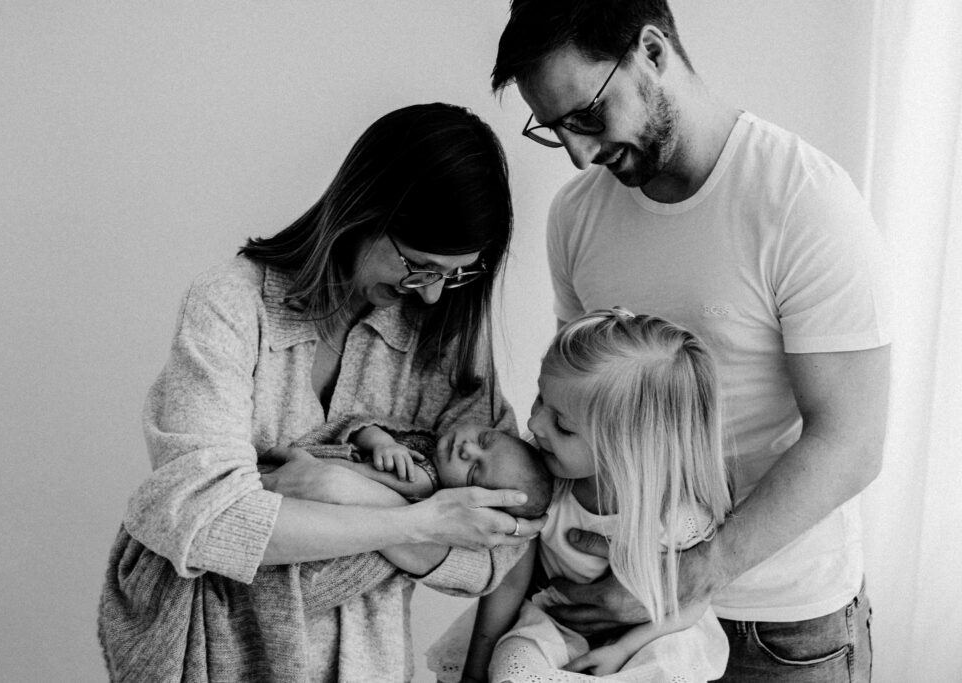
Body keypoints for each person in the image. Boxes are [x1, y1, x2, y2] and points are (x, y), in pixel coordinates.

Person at [491, 2, 890, 681]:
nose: (580, 153)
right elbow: (577, 411)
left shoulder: (803, 199)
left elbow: (851, 443)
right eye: (555, 130)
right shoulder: (576, 215)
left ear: (651, 52)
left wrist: (683, 577)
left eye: (587, 115)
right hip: (611, 616)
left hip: (780, 629)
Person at [97, 102, 546, 683]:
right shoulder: (230, 306)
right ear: (364, 210)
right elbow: (207, 521)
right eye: (420, 265)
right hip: (213, 657)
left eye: (454, 274)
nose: (433, 295)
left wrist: (346, 491)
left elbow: (496, 550)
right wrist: (420, 523)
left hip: (365, 662)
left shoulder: (444, 340)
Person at [426, 309, 732, 682]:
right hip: (554, 626)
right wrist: (475, 670)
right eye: (540, 399)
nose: (534, 423)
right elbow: (511, 578)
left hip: (648, 637)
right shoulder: (543, 483)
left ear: (631, 447)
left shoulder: (675, 515)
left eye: (563, 426)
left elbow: (693, 599)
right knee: (515, 665)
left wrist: (623, 649)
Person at [265, 419, 553, 518]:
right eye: (484, 439)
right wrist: (382, 442)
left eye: (473, 471)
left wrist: (303, 464)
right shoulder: (431, 443)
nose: (468, 449)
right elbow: (363, 426)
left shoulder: (421, 481)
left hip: (298, 473)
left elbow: (349, 476)